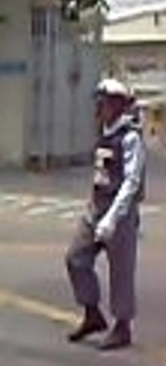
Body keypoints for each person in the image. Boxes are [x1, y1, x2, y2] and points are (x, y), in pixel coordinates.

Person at [65, 78, 147, 350]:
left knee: (121, 271)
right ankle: (92, 314)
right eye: (98, 102)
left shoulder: (130, 137)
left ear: (117, 105)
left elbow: (132, 182)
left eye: (104, 103)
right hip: (97, 207)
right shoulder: (105, 132)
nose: (98, 108)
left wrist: (112, 218)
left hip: (120, 213)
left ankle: (122, 327)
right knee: (76, 257)